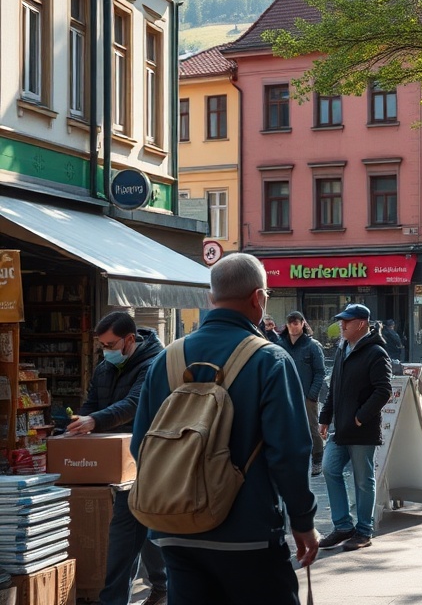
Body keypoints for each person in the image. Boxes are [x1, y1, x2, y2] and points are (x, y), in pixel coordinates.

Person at [131, 253, 319, 604]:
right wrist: (302, 521)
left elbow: (140, 444)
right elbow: (290, 454)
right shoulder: (270, 360)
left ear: (210, 298)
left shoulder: (166, 359)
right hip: (248, 532)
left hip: (175, 531)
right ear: (258, 298)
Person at [67, 312, 167, 605]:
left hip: (147, 459)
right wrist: (74, 425)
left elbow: (133, 404)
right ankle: (163, 585)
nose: (106, 351)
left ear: (130, 340)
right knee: (143, 527)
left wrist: (94, 421)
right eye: (102, 346)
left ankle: (113, 599)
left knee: (126, 530)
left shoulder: (154, 365)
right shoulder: (104, 368)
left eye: (110, 345)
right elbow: (90, 404)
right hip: (112, 461)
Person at [318, 303, 393, 551]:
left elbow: (383, 391)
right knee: (329, 469)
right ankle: (342, 527)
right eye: (341, 321)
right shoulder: (342, 348)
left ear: (361, 323)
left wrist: (360, 417)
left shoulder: (376, 353)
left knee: (363, 480)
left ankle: (363, 531)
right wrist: (325, 417)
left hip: (362, 429)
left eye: (346, 321)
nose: (341, 325)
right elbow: (334, 388)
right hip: (340, 428)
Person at [281, 311, 327, 475]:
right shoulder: (281, 345)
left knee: (312, 429)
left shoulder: (312, 346)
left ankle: (317, 459)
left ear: (302, 324)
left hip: (307, 396)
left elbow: (320, 372)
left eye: (296, 323)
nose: (293, 326)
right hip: (286, 395)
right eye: (290, 322)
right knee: (288, 429)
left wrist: (312, 394)